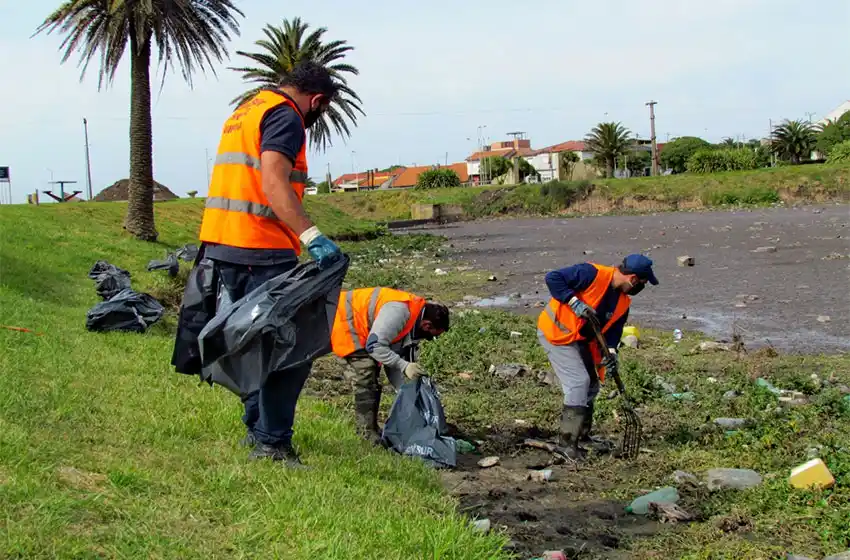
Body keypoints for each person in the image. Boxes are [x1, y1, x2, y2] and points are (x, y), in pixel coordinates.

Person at [189, 61, 343, 467]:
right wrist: (313, 237)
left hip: (224, 245)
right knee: (288, 348)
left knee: (251, 344)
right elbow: (273, 182)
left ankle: (257, 431)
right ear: (318, 101)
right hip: (262, 248)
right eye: (320, 112)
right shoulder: (286, 117)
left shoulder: (247, 109)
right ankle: (272, 443)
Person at [536, 254, 658, 459]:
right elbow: (553, 277)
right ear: (633, 279)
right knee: (578, 382)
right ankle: (566, 444)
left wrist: (611, 353)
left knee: (592, 383)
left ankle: (582, 436)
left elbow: (613, 332)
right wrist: (573, 301)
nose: (641, 289)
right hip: (556, 333)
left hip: (581, 340)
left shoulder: (623, 301)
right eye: (643, 283)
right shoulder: (591, 273)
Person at [330, 287, 450, 445]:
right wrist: (404, 365)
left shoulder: (413, 318)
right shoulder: (399, 313)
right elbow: (375, 347)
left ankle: (371, 428)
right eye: (431, 336)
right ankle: (366, 434)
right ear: (427, 325)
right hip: (343, 323)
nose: (427, 339)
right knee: (366, 377)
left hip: (359, 328)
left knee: (372, 376)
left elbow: (391, 357)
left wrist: (403, 391)